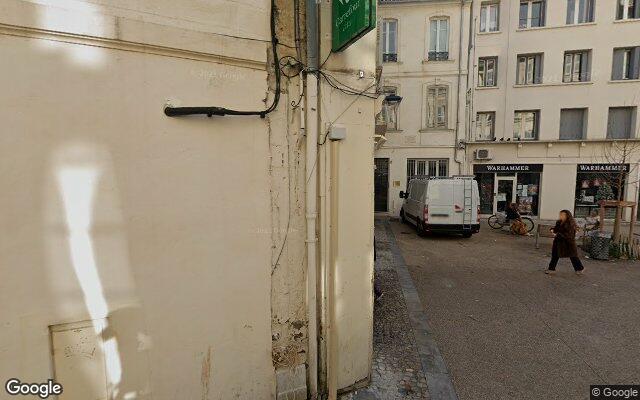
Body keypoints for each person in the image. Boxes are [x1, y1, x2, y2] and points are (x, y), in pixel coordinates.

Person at [546, 209, 585, 275]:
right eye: (560, 214)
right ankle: (551, 269)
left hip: (568, 243)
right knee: (555, 255)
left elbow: (569, 235)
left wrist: (557, 234)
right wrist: (553, 230)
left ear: (567, 215)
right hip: (558, 242)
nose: (560, 216)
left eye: (562, 215)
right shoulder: (559, 222)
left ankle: (579, 268)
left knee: (573, 256)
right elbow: (556, 229)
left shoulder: (570, 224)